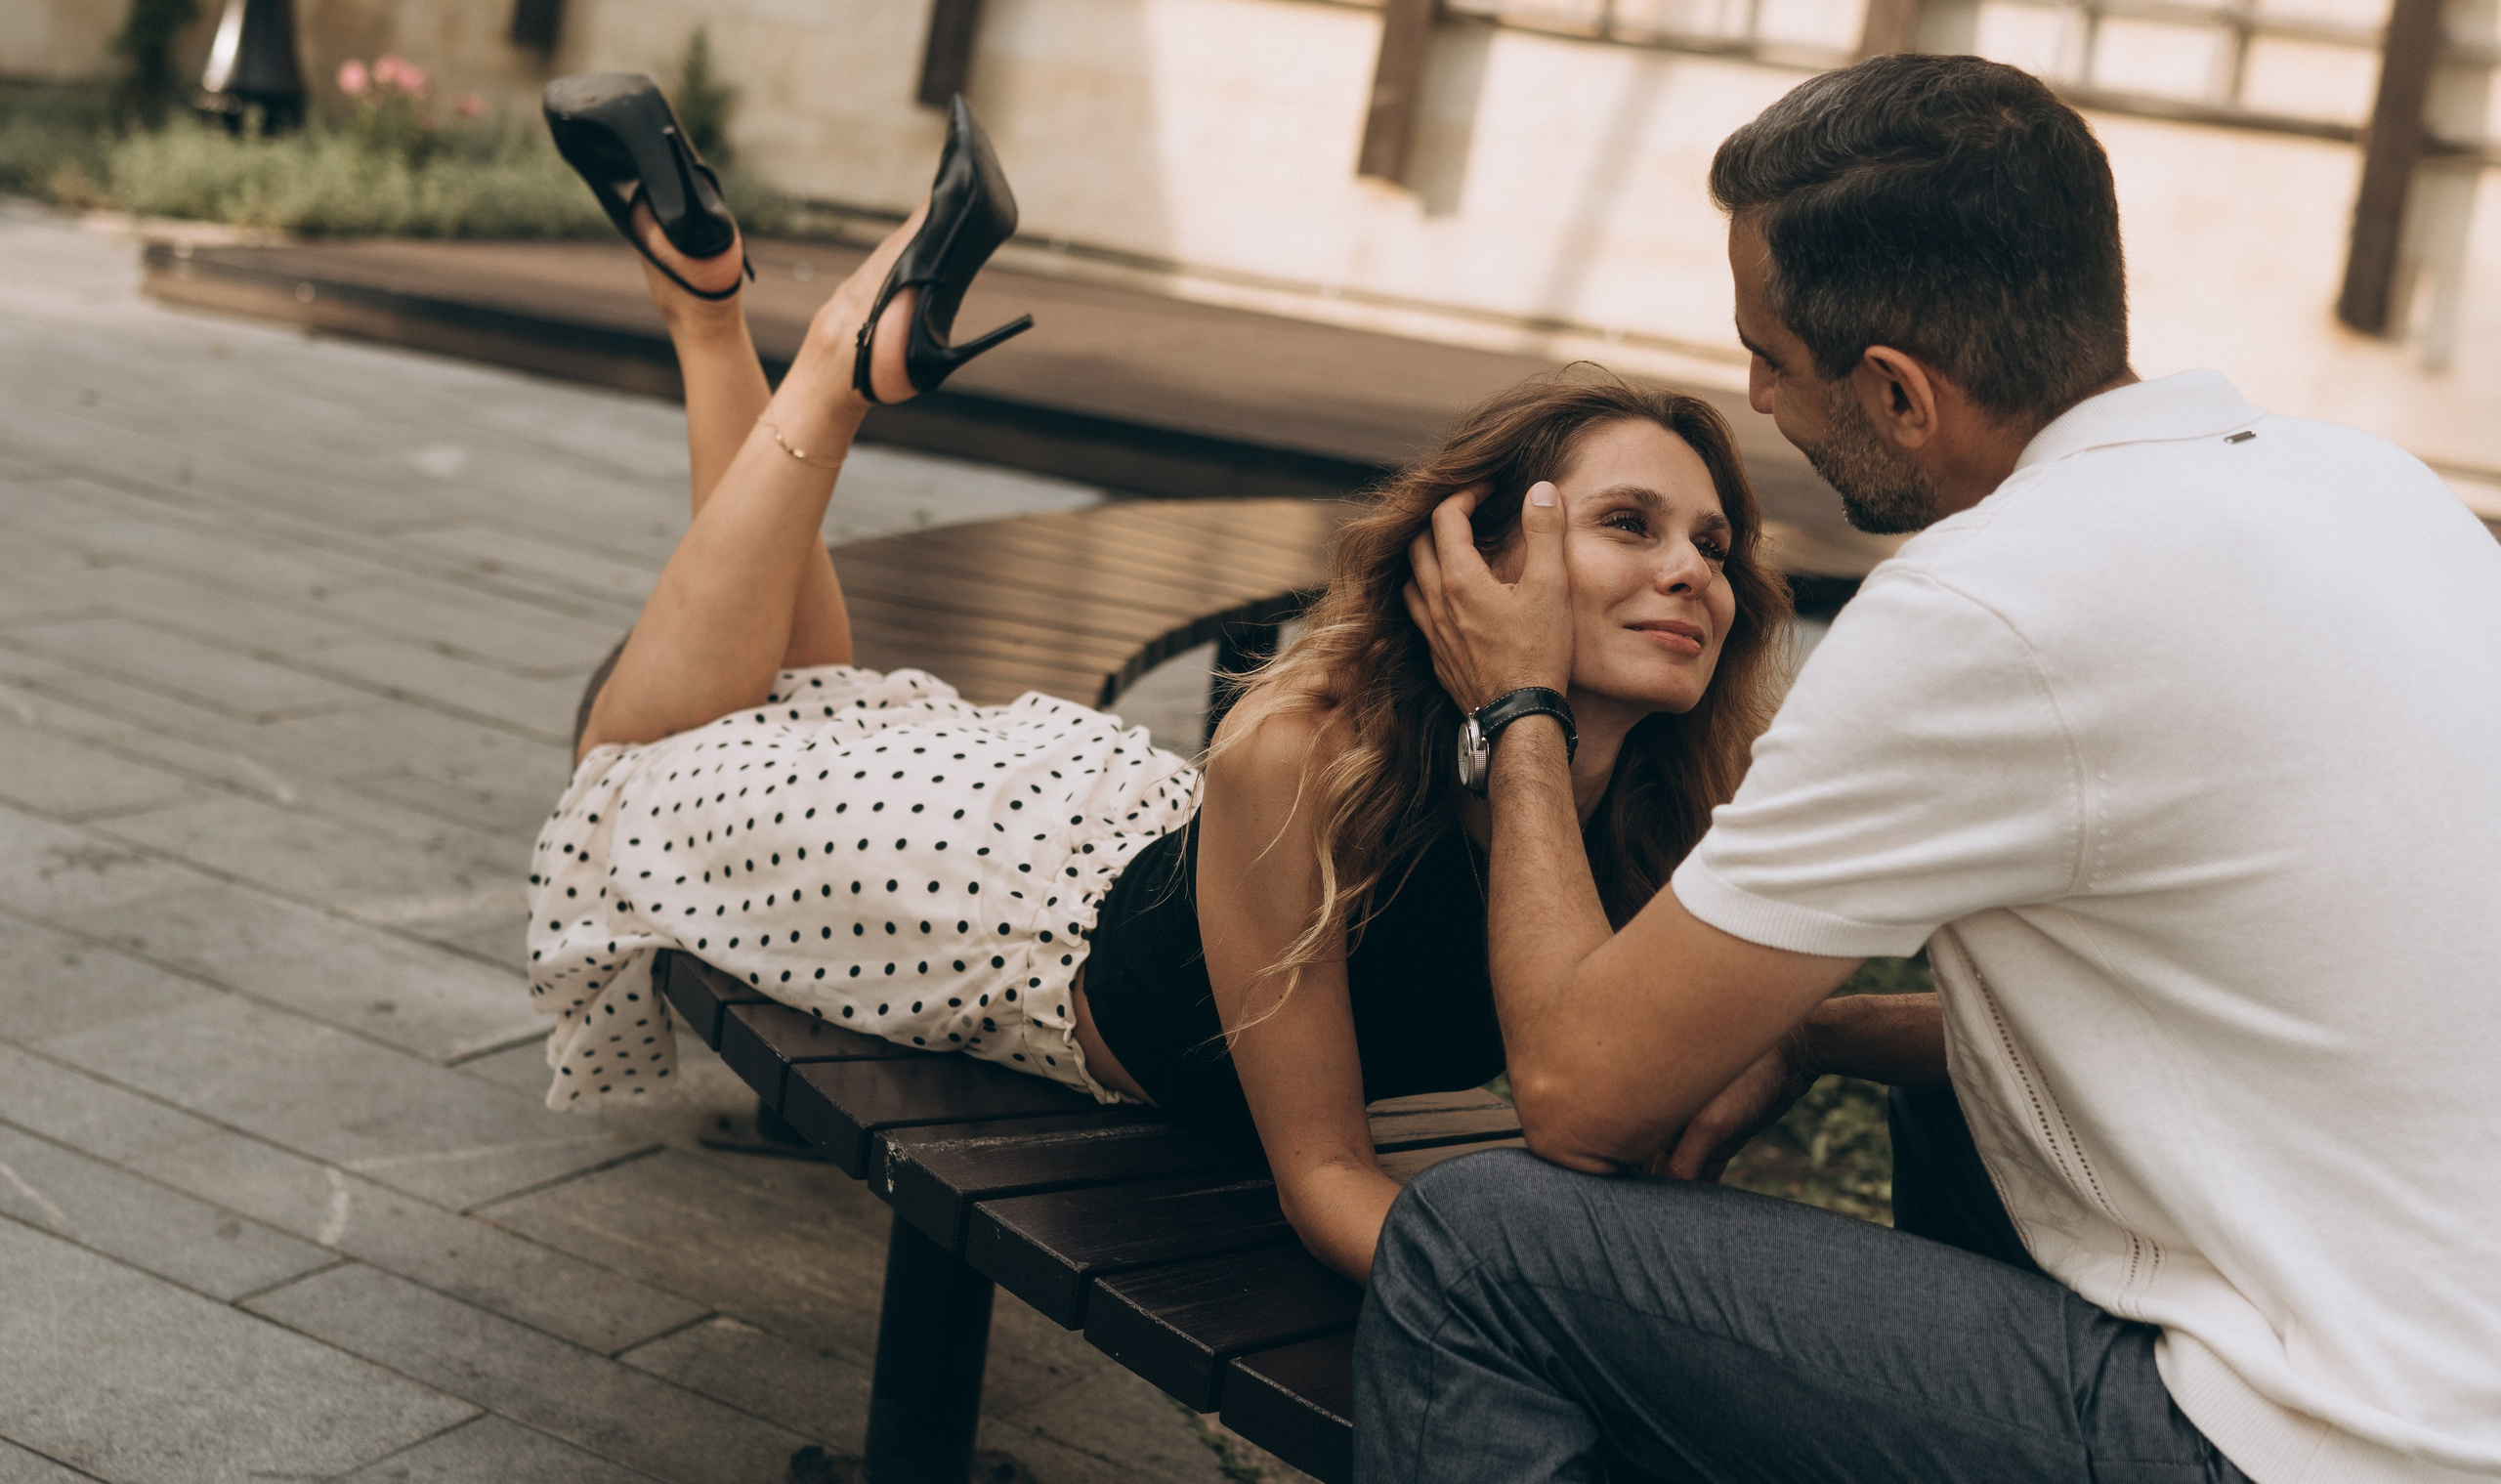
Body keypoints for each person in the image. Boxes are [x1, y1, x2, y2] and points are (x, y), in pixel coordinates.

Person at [1367, 52, 2501, 1484]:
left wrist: (1516, 703)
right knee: (1975, 1097)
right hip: (2458, 1369)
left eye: (1769, 356)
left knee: (1482, 1244)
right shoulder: (2373, 486)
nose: (1758, 397)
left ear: (1899, 394)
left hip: (2327, 1447)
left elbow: (1582, 1097)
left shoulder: (1990, 608)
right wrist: (1822, 1036)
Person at [522, 81, 1795, 1282]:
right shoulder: (1298, 756)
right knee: (629, 765)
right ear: (1476, 555)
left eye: (1714, 544)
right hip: (972, 900)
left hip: (1102, 829)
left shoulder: (1673, 804)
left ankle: (708, 307)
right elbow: (1326, 1179)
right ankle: (839, 365)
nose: (1690, 569)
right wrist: (1564, 1332)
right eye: (1630, 524)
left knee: (788, 690)